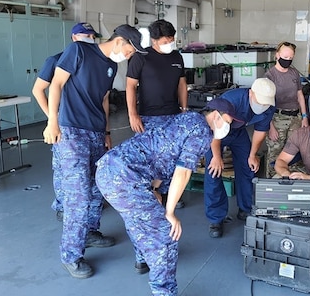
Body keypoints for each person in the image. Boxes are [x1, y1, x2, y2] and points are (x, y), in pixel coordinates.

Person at [95, 98, 239, 295]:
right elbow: (183, 172)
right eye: (228, 122)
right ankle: (164, 291)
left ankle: (143, 258)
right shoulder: (202, 133)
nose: (228, 128)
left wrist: (155, 191)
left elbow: (162, 157)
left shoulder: (188, 118)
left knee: (139, 218)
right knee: (166, 234)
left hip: (110, 169)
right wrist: (170, 213)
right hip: (125, 177)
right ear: (215, 115)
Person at [43, 24, 147, 279]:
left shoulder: (111, 67)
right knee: (77, 194)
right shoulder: (78, 51)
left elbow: (103, 99)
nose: (130, 56)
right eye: (131, 50)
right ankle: (71, 255)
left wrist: (107, 133)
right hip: (71, 132)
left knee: (97, 187)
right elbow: (56, 84)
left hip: (96, 134)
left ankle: (89, 232)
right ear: (120, 41)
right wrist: (52, 121)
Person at [32, 22, 101, 221]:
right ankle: (62, 205)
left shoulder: (92, 60)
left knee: (82, 169)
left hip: (86, 124)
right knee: (63, 168)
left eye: (92, 35)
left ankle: (83, 204)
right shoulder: (55, 60)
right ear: (74, 38)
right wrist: (52, 119)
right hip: (64, 123)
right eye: (85, 35)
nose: (90, 38)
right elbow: (38, 90)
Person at [126, 19, 188, 208]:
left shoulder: (177, 57)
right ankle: (149, 194)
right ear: (154, 40)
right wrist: (132, 114)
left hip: (173, 114)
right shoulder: (141, 57)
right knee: (150, 157)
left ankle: (169, 194)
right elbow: (130, 86)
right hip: (148, 116)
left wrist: (184, 110)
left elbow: (182, 84)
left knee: (173, 156)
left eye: (171, 39)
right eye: (165, 41)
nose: (169, 43)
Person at [204, 77, 276, 238]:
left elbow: (260, 131)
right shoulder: (232, 100)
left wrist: (252, 155)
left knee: (247, 167)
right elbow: (213, 128)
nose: (263, 106)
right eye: (260, 101)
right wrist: (216, 156)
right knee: (213, 171)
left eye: (266, 103)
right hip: (216, 134)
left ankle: (245, 208)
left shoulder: (269, 107)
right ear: (251, 94)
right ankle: (216, 218)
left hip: (238, 133)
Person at [264, 41, 309, 178]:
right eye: (285, 57)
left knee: (293, 152)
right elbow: (265, 104)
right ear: (277, 55)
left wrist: (304, 116)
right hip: (277, 118)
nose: (287, 60)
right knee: (275, 153)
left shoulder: (294, 73)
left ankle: (289, 182)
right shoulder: (270, 76)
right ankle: (272, 184)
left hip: (295, 118)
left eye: (290, 58)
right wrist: (270, 126)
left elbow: (299, 95)